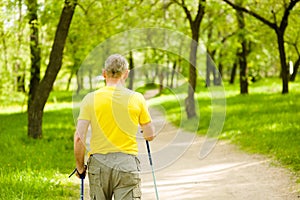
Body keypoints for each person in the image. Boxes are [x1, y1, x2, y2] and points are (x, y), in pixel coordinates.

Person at [74, 54, 155, 200]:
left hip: (98, 165)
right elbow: (149, 135)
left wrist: (80, 167)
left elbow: (79, 138)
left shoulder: (90, 99)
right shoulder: (137, 98)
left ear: (104, 73)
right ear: (126, 73)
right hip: (127, 164)